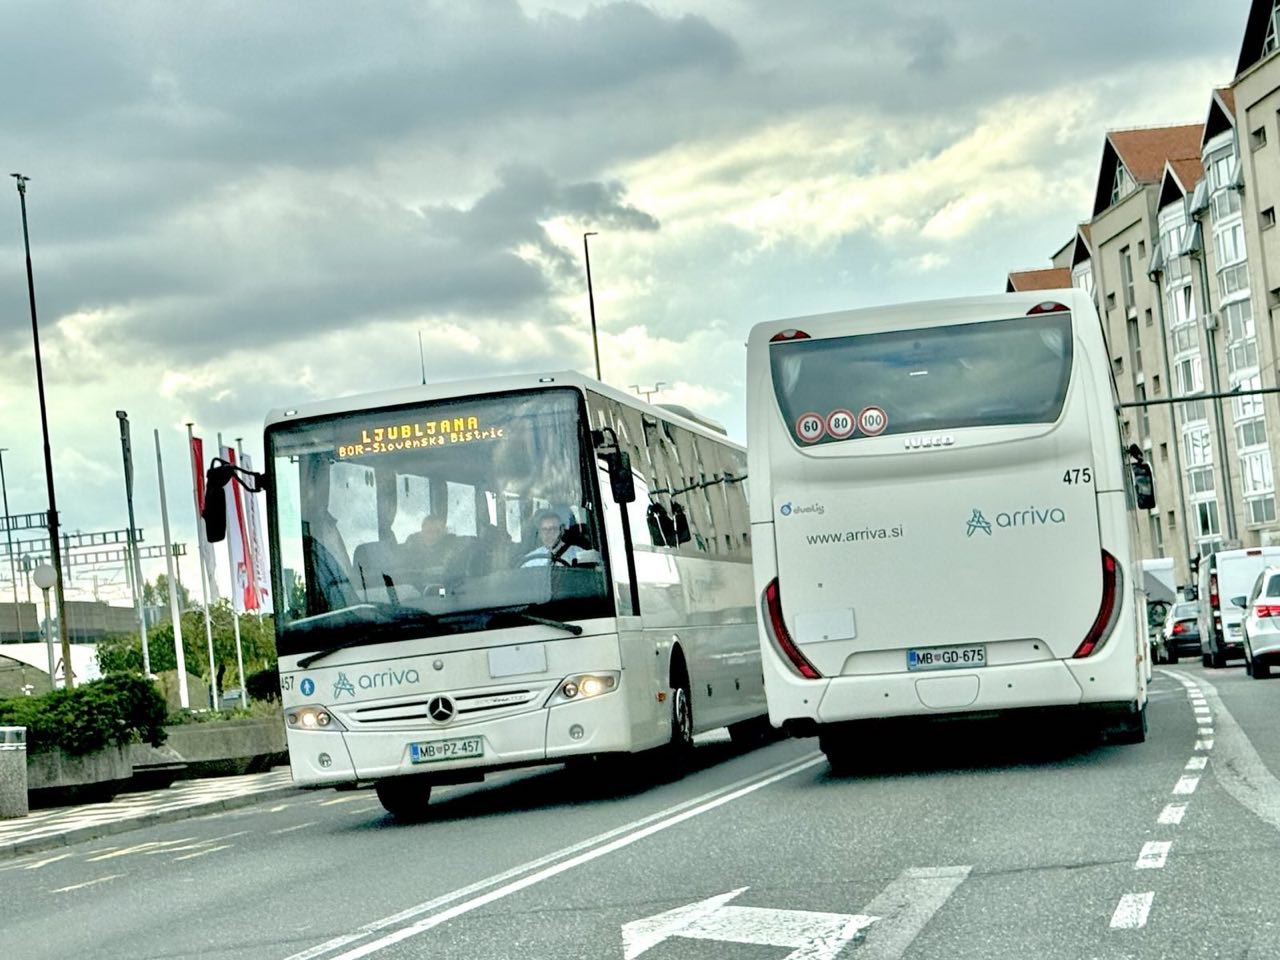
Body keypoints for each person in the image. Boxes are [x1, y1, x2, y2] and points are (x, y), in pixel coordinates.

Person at [520, 509, 589, 567]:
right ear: (540, 533)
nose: (548, 534)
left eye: (553, 529)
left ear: (561, 530)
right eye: (544, 530)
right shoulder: (531, 559)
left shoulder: (579, 554)